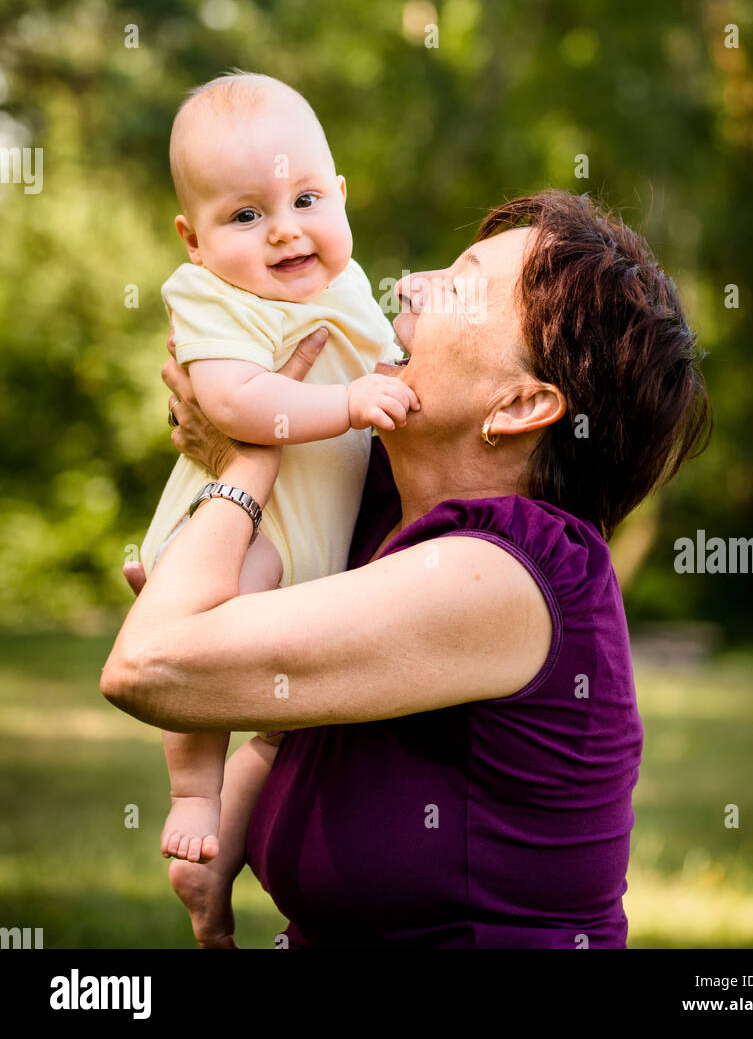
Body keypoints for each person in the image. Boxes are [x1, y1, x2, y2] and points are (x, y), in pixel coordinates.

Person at [103, 189, 711, 949]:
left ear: (520, 404)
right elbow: (243, 694)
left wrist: (245, 458)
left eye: (457, 282)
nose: (409, 283)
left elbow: (149, 664)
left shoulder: (509, 574)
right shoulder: (384, 515)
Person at [138, 71, 417, 865]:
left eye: (304, 202)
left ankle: (224, 866)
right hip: (236, 530)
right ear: (194, 240)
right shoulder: (208, 297)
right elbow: (233, 404)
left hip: (319, 538)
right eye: (246, 215)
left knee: (288, 718)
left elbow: (387, 364)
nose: (284, 232)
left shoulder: (350, 285)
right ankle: (194, 790)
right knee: (215, 640)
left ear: (339, 196)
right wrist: (356, 403)